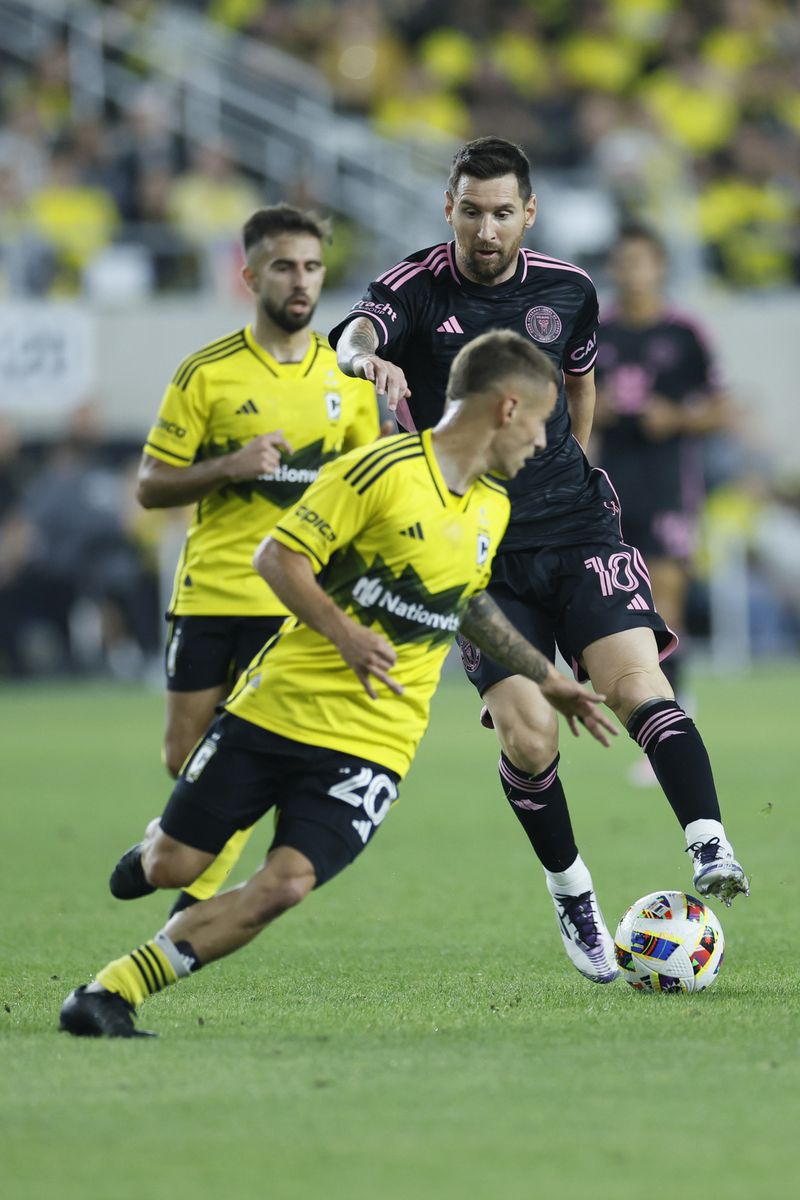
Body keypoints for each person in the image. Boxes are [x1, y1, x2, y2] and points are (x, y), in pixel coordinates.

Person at [59, 329, 618, 1038]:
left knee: (285, 884)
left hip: (376, 742)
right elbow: (278, 557)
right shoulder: (379, 471)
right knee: (174, 865)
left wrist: (547, 677)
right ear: (508, 409)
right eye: (542, 424)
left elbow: (466, 601)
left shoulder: (492, 506)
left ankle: (110, 992)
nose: (543, 444)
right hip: (281, 706)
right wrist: (345, 633)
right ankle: (155, 851)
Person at [330, 136, 749, 987]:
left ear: (529, 213)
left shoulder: (570, 290)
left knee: (638, 686)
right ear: (449, 209)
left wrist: (572, 468)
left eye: (502, 212)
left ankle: (708, 841)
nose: (486, 229)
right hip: (475, 551)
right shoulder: (414, 290)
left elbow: (583, 382)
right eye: (471, 211)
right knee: (529, 735)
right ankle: (571, 888)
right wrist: (362, 356)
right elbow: (357, 331)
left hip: (576, 527)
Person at [134, 203, 383, 916]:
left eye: (311, 267)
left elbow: (367, 494)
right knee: (183, 756)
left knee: (256, 757)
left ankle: (194, 896)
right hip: (213, 588)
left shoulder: (349, 381)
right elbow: (152, 485)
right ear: (249, 276)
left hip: (293, 605)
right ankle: (165, 842)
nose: (300, 281)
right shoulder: (206, 373)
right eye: (283, 266)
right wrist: (230, 465)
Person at [593, 224, 731, 778]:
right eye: (623, 262)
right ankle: (655, 716)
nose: (632, 272)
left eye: (642, 262)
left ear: (660, 268)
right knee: (630, 606)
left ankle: (677, 715)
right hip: (609, 483)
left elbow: (720, 409)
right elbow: (566, 400)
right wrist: (593, 408)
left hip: (669, 479)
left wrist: (675, 417)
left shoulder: (685, 332)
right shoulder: (596, 331)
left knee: (667, 593)